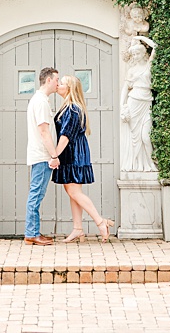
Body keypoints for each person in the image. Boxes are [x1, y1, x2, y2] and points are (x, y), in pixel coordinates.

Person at [51, 75, 113, 242]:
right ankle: (78, 228)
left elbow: (65, 136)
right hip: (73, 153)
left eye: (62, 83)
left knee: (73, 191)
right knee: (73, 192)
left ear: (69, 88)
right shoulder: (70, 107)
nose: (58, 85)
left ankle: (100, 222)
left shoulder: (72, 109)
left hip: (73, 154)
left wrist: (54, 154)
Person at [24, 66, 60, 245]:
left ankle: (34, 232)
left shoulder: (39, 100)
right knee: (36, 194)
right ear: (48, 80)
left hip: (41, 155)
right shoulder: (41, 102)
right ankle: (31, 233)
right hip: (41, 156)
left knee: (37, 194)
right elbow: (44, 131)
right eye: (56, 80)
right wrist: (54, 155)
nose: (58, 84)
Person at [120, 35, 158, 172]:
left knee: (146, 137)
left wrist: (140, 37)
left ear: (143, 54)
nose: (135, 56)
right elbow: (125, 89)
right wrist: (122, 107)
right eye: (133, 54)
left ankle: (151, 163)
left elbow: (155, 46)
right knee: (134, 138)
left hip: (146, 102)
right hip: (133, 102)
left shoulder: (148, 65)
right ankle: (136, 165)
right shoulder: (131, 71)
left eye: (137, 54)